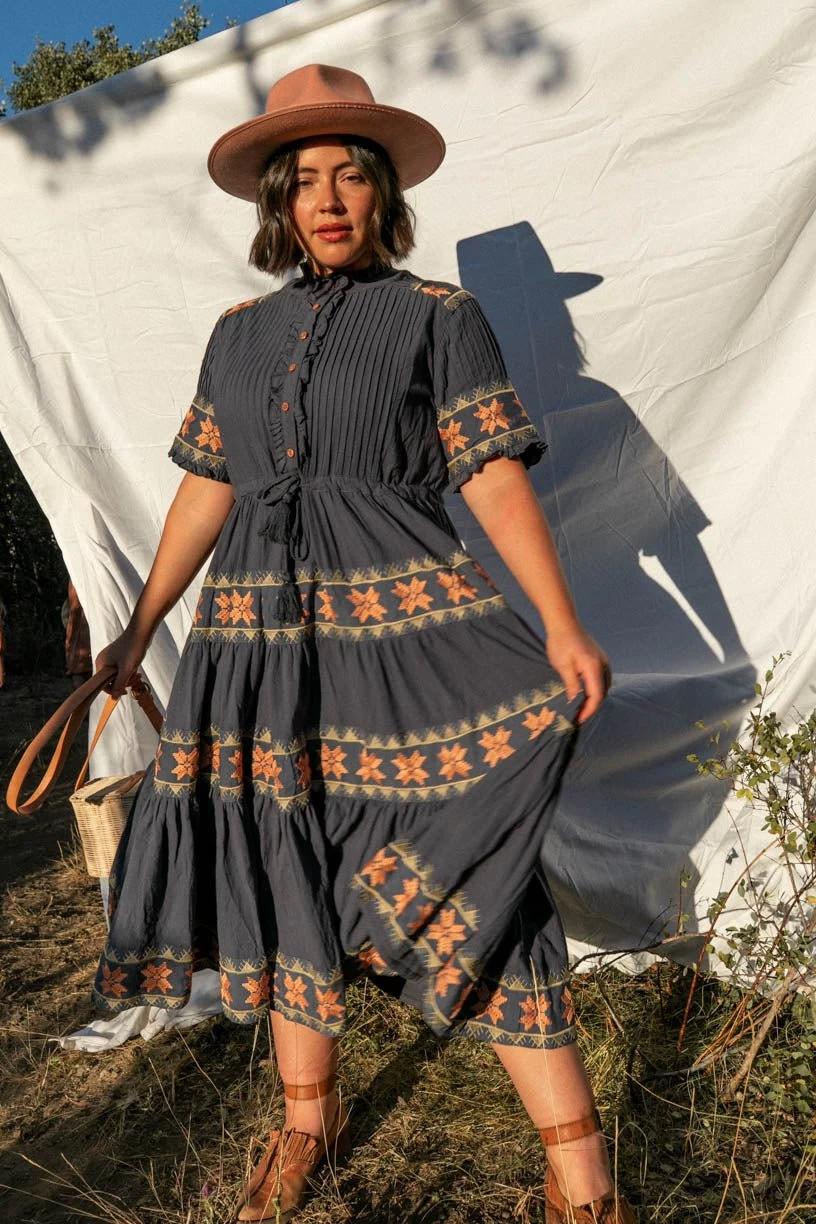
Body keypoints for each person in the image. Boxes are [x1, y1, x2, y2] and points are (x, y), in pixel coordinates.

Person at [94, 65, 635, 1224]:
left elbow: (489, 473)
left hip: (402, 632)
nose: (329, 199)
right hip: (257, 636)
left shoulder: (441, 314)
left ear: (384, 192)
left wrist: (560, 622)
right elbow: (205, 488)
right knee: (284, 852)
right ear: (277, 203)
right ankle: (308, 1123)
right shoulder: (237, 334)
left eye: (351, 175)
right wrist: (136, 629)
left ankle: (582, 1171)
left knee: (485, 873)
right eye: (304, 181)